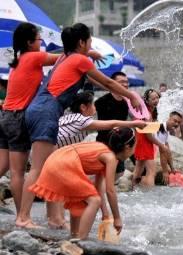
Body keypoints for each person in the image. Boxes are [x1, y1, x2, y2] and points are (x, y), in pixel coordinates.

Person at [17, 23, 142, 229]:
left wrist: (91, 52)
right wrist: (132, 96)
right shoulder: (79, 59)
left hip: (38, 109)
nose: (91, 45)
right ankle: (23, 217)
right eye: (89, 41)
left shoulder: (66, 58)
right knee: (39, 169)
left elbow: (100, 82)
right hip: (47, 112)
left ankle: (55, 218)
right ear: (81, 42)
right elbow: (109, 83)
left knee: (50, 167)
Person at [0, 22, 103, 228]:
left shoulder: (19, 60)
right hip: (20, 116)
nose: (42, 43)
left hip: (4, 116)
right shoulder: (34, 56)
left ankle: (50, 217)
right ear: (30, 43)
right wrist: (90, 52)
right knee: (22, 170)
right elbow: (68, 56)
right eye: (40, 40)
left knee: (5, 167)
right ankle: (23, 216)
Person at [28, 127, 136, 239]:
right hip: (64, 164)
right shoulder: (111, 158)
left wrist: (106, 214)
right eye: (135, 146)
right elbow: (110, 190)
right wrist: (117, 218)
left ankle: (74, 235)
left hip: (55, 160)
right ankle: (82, 240)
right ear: (127, 147)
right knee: (94, 200)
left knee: (81, 199)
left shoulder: (103, 150)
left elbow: (99, 188)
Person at [94, 71, 133, 178]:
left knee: (119, 174)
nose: (125, 84)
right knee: (103, 175)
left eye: (126, 82)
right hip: (104, 144)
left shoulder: (127, 102)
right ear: (113, 83)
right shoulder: (102, 101)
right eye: (121, 82)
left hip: (120, 145)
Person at [133, 89, 168, 187]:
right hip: (145, 143)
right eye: (153, 99)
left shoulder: (148, 111)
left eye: (157, 98)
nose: (156, 100)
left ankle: (133, 189)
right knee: (151, 172)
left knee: (138, 169)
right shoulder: (147, 114)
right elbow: (148, 136)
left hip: (140, 142)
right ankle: (149, 197)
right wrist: (161, 145)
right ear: (147, 101)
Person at [156, 111, 183, 184]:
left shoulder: (166, 131)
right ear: (169, 118)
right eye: (175, 121)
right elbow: (162, 152)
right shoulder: (161, 128)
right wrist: (165, 171)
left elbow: (167, 151)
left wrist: (172, 169)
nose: (176, 124)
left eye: (178, 122)